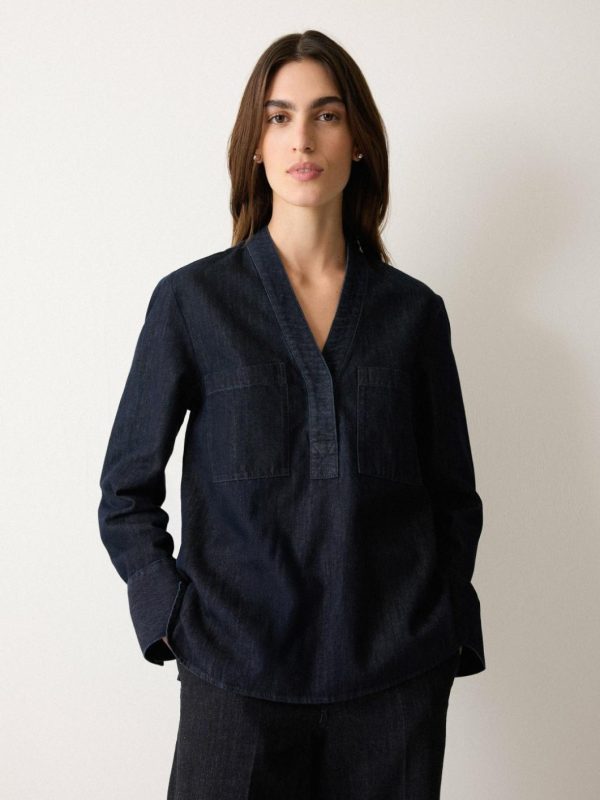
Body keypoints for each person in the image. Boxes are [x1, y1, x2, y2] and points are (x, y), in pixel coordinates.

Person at [98, 29, 485, 800]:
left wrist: (435, 625)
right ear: (255, 144)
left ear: (359, 141)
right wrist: (170, 614)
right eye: (279, 117)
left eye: (326, 115)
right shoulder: (193, 303)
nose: (302, 139)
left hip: (394, 684)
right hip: (232, 680)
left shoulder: (413, 314)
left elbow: (454, 499)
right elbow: (125, 492)